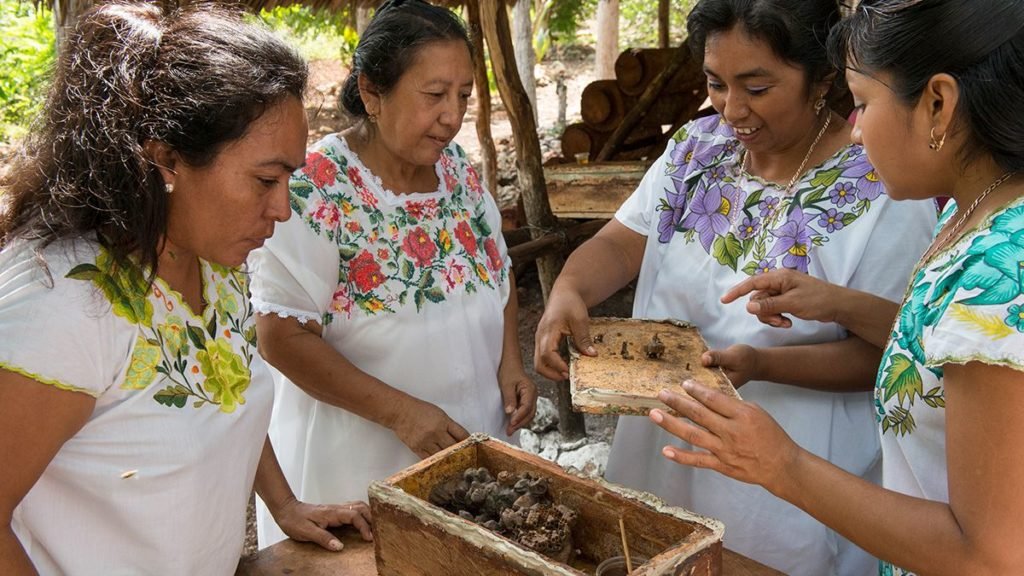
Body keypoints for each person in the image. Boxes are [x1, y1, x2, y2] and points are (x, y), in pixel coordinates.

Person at [533, 0, 939, 574]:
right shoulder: (696, 148)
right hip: (664, 445)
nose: (733, 110)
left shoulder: (884, 186)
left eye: (757, 86)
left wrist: (757, 365)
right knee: (655, 551)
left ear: (822, 77)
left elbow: (891, 352)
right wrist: (569, 290)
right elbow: (623, 243)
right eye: (716, 83)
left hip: (791, 476)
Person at [649, 1, 1024, 574]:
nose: (854, 125)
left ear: (939, 105)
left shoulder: (996, 279)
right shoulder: (981, 217)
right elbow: (939, 350)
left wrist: (781, 463)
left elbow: (990, 557)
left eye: (864, 102)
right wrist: (838, 303)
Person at [0, 4, 373, 574]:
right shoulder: (66, 306)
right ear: (166, 159)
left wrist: (285, 503)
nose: (282, 209)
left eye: (290, 179)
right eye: (265, 180)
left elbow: (224, 395)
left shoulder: (214, 264)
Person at [249, 0, 537, 547]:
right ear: (372, 92)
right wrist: (400, 413)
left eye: (464, 96)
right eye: (434, 95)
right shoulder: (314, 189)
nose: (452, 115)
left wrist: (511, 363)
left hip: (469, 448)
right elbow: (279, 335)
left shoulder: (461, 176)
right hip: (358, 467)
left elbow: (497, 279)